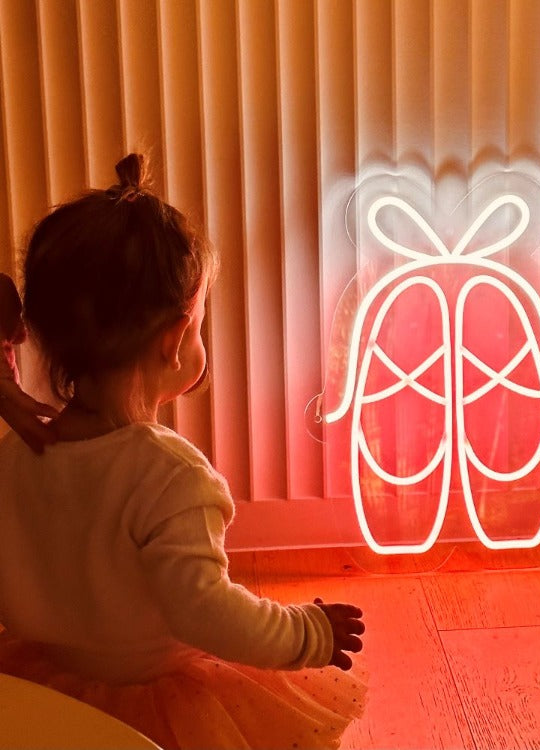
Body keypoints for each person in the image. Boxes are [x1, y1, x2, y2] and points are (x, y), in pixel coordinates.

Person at [0, 154, 366, 750]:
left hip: (47, 698)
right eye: (198, 324)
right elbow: (208, 614)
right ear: (174, 344)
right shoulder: (170, 477)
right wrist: (308, 634)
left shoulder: (14, 458)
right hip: (155, 707)